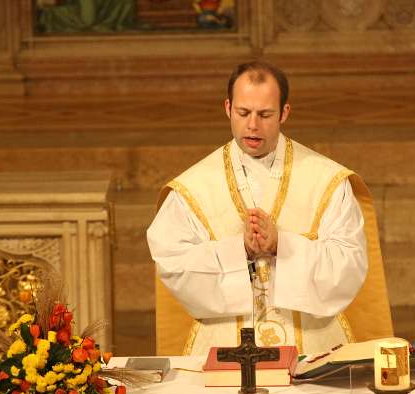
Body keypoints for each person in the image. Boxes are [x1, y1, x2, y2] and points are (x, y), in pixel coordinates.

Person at [147, 60, 391, 356]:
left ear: (284, 113)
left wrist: (281, 245)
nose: (253, 125)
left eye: (264, 114)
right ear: (227, 108)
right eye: (243, 113)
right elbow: (173, 263)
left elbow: (349, 263)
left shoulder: (326, 180)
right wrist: (240, 250)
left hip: (313, 349)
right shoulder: (193, 188)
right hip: (225, 348)